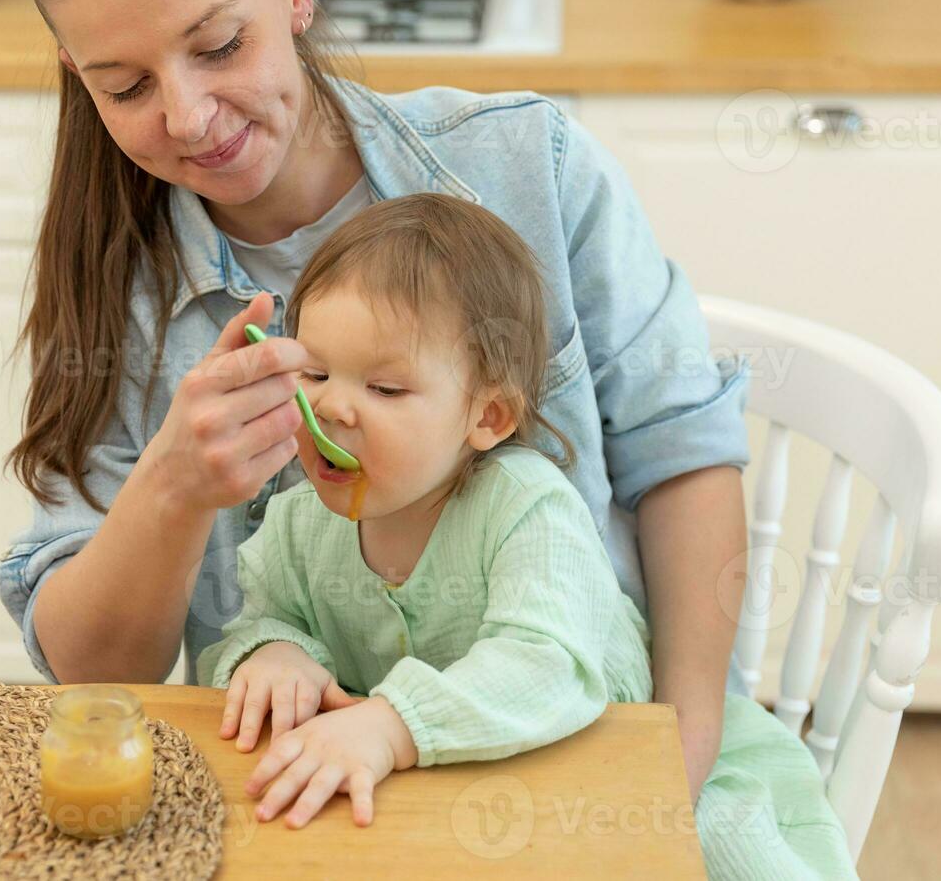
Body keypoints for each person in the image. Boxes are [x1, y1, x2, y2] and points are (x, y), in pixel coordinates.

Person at [0, 0, 752, 806]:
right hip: (311, 795)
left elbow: (684, 458)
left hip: (572, 761)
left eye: (221, 46)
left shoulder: (526, 168)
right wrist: (174, 486)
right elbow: (96, 674)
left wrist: (680, 763)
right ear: (78, 77)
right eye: (125, 88)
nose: (191, 117)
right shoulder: (114, 286)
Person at [194, 193, 857, 879]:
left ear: (487, 416)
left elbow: (545, 664)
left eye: (386, 389)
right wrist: (272, 654)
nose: (331, 406)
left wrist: (391, 725)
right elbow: (261, 616)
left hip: (618, 779)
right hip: (459, 799)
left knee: (727, 854)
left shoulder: (527, 509)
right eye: (316, 373)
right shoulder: (300, 523)